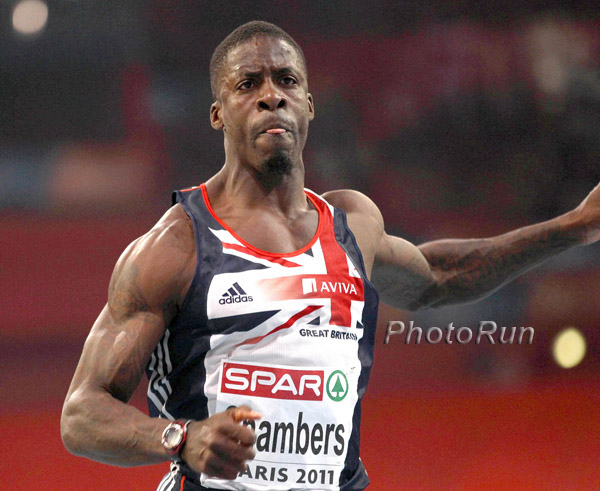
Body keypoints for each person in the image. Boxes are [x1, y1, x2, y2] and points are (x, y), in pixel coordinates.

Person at [60, 20, 600, 490]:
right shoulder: (176, 246)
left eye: (287, 80)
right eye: (248, 84)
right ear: (217, 114)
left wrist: (575, 226)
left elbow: (439, 274)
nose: (272, 96)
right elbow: (82, 413)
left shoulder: (351, 225)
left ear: (310, 104)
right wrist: (182, 437)